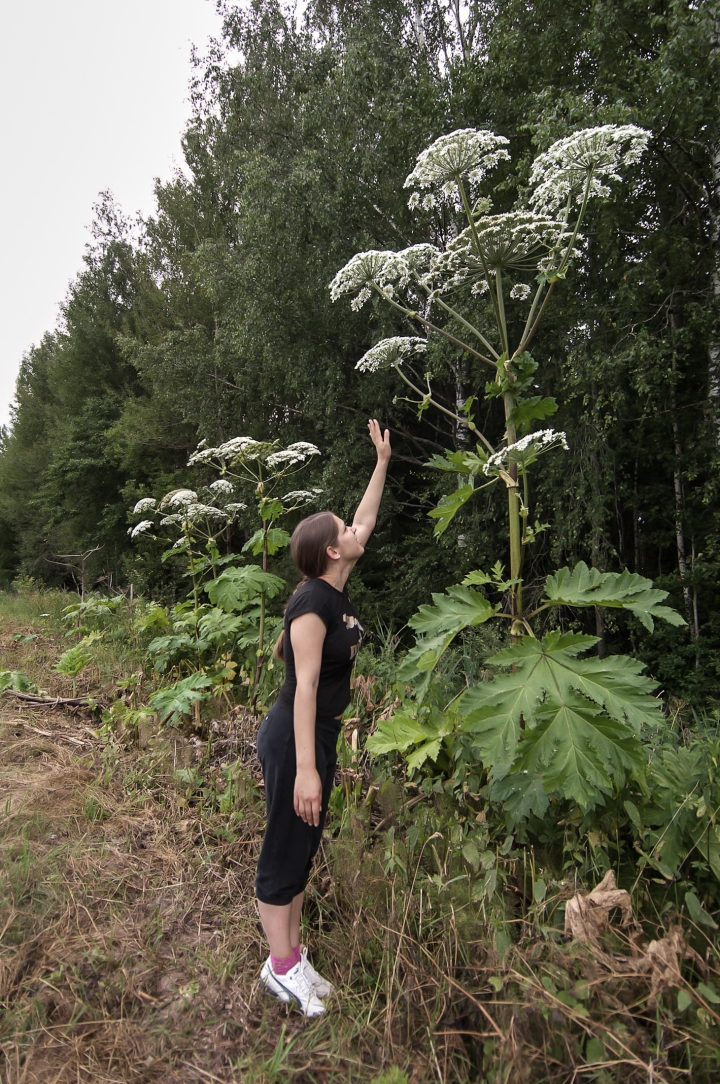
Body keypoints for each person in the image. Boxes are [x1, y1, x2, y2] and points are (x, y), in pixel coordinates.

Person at [255, 419, 391, 1016]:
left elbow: (366, 519)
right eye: (343, 530)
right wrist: (307, 770)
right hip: (295, 738)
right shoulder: (312, 601)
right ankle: (278, 967)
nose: (353, 529)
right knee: (284, 850)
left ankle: (293, 957)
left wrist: (381, 461)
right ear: (332, 551)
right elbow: (304, 687)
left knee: (302, 848)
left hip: (318, 738)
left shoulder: (335, 585)